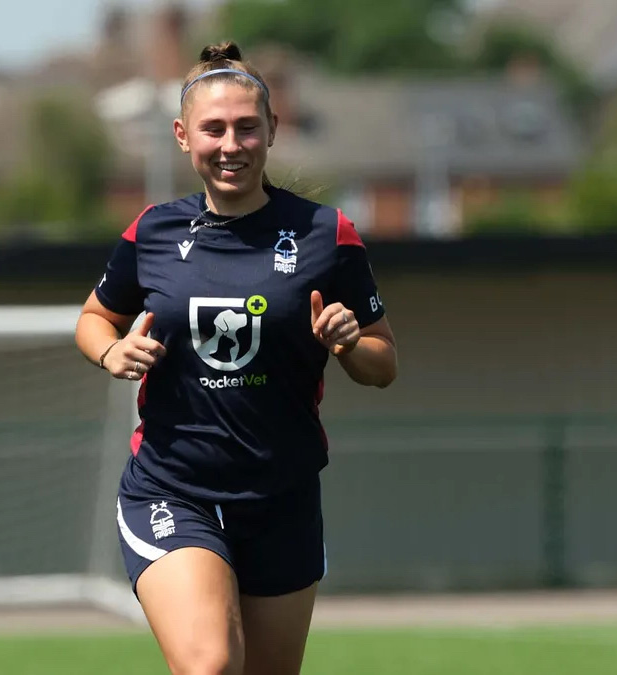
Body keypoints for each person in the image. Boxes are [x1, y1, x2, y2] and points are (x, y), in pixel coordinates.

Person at [75, 41, 397, 675]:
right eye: (213, 129)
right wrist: (111, 349)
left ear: (273, 131)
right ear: (181, 136)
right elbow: (93, 319)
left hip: (282, 497)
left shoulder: (326, 235)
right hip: (173, 490)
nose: (231, 144)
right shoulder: (153, 232)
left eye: (247, 127)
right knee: (212, 664)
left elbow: (384, 364)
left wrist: (352, 342)